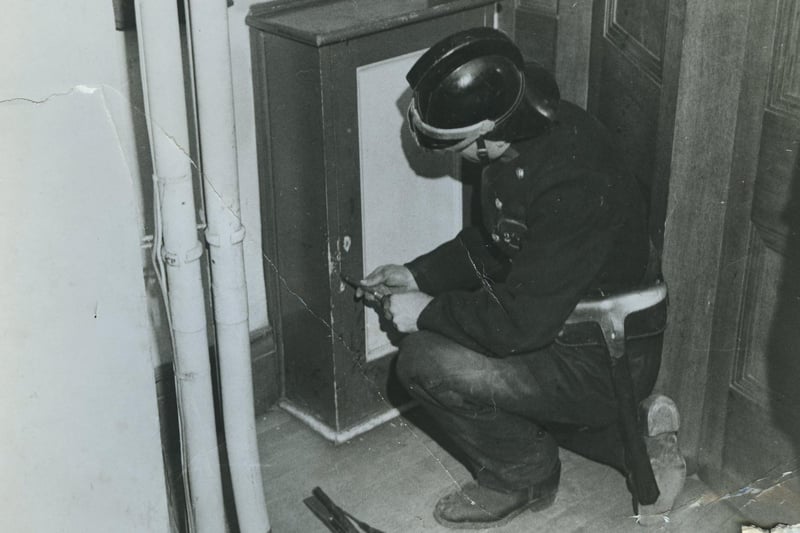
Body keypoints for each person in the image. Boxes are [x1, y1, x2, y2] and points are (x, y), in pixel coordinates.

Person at [358, 27, 679, 529]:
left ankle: (523, 476)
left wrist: (424, 310)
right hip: (566, 330)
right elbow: (494, 243)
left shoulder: (571, 179)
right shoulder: (522, 141)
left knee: (423, 362)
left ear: (487, 133)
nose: (454, 158)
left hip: (602, 354)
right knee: (488, 378)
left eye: (457, 146)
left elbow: (516, 325)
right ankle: (628, 431)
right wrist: (416, 274)